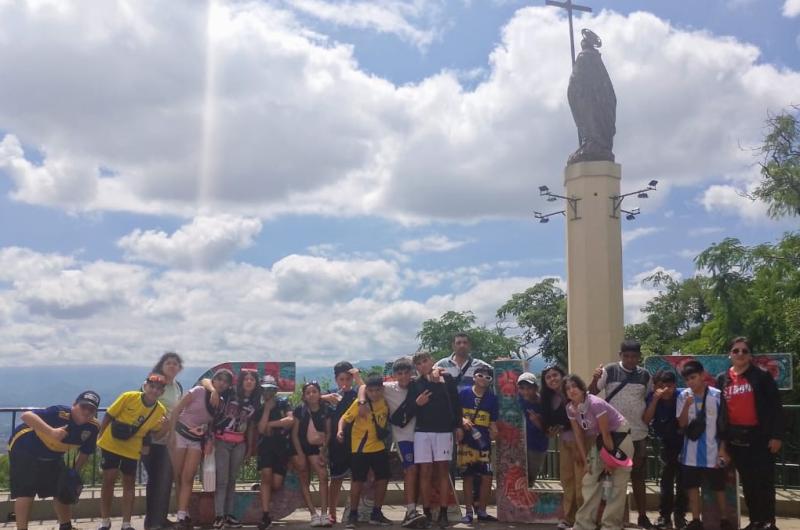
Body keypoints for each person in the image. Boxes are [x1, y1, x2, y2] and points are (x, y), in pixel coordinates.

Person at [8, 390, 101, 530]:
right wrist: (51, 431)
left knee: (62, 487)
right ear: (74, 405)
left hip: (53, 453)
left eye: (91, 409)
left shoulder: (93, 427)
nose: (86, 412)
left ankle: (66, 526)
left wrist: (74, 472)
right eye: (83, 407)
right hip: (24, 448)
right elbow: (26, 415)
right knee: (26, 491)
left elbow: (85, 452)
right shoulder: (59, 413)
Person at [717, 337, 784, 530]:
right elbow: (722, 413)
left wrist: (777, 436)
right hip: (736, 439)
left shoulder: (762, 376)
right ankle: (755, 521)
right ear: (730, 354)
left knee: (764, 482)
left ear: (750, 355)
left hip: (761, 438)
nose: (740, 354)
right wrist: (723, 443)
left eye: (744, 351)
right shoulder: (723, 378)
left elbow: (776, 408)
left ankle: (768, 522)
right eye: (736, 351)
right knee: (748, 484)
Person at [355, 357, 427, 528]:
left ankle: (420, 510)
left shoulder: (418, 385)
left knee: (421, 472)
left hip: (421, 434)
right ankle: (410, 510)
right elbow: (365, 386)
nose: (403, 377)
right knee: (411, 470)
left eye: (406, 373)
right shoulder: (388, 388)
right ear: (394, 375)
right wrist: (362, 401)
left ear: (412, 373)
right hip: (403, 437)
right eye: (399, 373)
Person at [589, 339, 653, 529]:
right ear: (620, 355)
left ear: (639, 357)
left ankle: (642, 516)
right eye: (626, 356)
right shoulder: (609, 370)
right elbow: (591, 393)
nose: (630, 360)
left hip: (638, 433)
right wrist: (594, 378)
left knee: (638, 477)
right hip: (614, 433)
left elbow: (648, 397)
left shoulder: (645, 375)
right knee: (610, 477)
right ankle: (612, 519)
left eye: (634, 356)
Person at [97, 375, 168, 530]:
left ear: (162, 392)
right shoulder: (128, 397)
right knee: (108, 480)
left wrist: (167, 426)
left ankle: (126, 523)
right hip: (111, 444)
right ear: (145, 386)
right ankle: (104, 520)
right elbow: (109, 415)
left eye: (158, 388)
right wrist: (100, 436)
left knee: (129, 483)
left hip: (132, 449)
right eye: (152, 386)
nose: (154, 390)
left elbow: (156, 434)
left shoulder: (159, 410)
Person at [565, 374, 633, 530]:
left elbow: (606, 433)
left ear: (582, 388)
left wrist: (610, 462)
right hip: (602, 441)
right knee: (589, 480)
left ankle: (610, 525)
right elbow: (578, 435)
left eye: (574, 386)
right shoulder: (570, 408)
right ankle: (583, 524)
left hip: (619, 436)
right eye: (567, 388)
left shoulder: (595, 404)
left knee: (618, 483)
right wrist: (585, 461)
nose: (571, 390)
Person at [404, 351, 463, 529]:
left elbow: (455, 403)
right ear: (416, 367)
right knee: (426, 472)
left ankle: (444, 513)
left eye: (425, 361)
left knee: (443, 471)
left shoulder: (447, 379)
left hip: (444, 431)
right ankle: (428, 513)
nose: (423, 365)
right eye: (419, 363)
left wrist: (458, 425)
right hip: (422, 432)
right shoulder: (415, 384)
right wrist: (417, 403)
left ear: (431, 361)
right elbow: (409, 408)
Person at [171, 369, 233, 530]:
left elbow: (213, 424)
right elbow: (177, 409)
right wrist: (170, 433)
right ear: (214, 379)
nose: (222, 383)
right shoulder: (199, 391)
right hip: (180, 433)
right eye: (219, 379)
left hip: (196, 440)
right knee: (177, 475)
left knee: (188, 477)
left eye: (226, 382)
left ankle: (182, 515)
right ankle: (181, 512)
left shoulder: (220, 402)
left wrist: (210, 439)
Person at [676, 360, 732, 530]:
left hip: (713, 451)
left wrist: (723, 448)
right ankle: (695, 520)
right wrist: (686, 406)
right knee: (692, 487)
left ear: (702, 376)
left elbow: (724, 424)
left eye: (693, 377)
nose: (690, 382)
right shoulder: (683, 396)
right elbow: (681, 424)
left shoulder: (716, 395)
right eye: (687, 379)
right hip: (690, 452)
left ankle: (724, 519)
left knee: (719, 487)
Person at [338, 375, 393, 528]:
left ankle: (376, 513)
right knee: (357, 481)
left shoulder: (385, 401)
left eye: (377, 390)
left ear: (382, 390)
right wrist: (340, 431)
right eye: (371, 391)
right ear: (367, 391)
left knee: (383, 479)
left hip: (379, 447)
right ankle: (353, 515)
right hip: (360, 448)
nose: (374, 393)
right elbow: (344, 418)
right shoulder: (359, 403)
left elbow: (362, 385)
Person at [211, 369, 262, 529]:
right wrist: (213, 391)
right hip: (221, 441)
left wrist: (250, 448)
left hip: (240, 443)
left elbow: (252, 426)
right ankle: (219, 516)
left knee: (232, 480)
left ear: (255, 383)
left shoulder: (255, 402)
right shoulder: (229, 394)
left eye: (252, 379)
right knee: (222, 481)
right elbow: (205, 383)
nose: (248, 381)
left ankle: (229, 514)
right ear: (240, 381)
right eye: (245, 379)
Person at [143, 352, 184, 530]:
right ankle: (153, 523)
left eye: (176, 364)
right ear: (162, 365)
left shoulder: (177, 386)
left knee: (165, 481)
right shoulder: (155, 383)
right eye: (169, 363)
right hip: (152, 439)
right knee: (156, 480)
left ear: (180, 368)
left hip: (169, 439)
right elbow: (142, 408)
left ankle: (160, 519)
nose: (172, 366)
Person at [540, 365, 584, 530]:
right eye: (548, 377)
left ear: (562, 375)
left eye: (555, 375)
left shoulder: (572, 392)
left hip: (581, 442)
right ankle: (569, 517)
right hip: (565, 443)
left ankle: (583, 518)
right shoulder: (548, 399)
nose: (552, 379)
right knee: (567, 480)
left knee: (581, 481)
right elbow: (550, 424)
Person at [642, 369, 687, 530]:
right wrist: (654, 400)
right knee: (666, 481)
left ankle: (680, 516)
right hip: (665, 443)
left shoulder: (682, 396)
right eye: (661, 386)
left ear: (675, 385)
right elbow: (646, 419)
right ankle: (664, 516)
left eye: (669, 386)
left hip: (684, 442)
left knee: (684, 481)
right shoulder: (653, 398)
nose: (665, 389)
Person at [321, 362, 363, 526]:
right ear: (336, 379)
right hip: (336, 445)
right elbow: (308, 396)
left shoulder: (357, 394)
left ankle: (353, 512)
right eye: (341, 379)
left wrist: (358, 377)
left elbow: (367, 391)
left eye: (348, 379)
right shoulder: (331, 394)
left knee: (356, 480)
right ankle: (332, 513)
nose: (344, 383)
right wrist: (325, 397)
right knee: (336, 479)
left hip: (357, 442)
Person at [457, 364, 499, 524]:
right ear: (474, 377)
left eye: (487, 377)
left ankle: (482, 510)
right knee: (467, 477)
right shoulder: (464, 393)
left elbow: (493, 421)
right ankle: (468, 511)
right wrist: (462, 421)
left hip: (484, 443)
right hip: (466, 442)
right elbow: (455, 413)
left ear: (490, 381)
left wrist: (495, 431)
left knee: (487, 477)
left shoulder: (492, 398)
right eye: (480, 375)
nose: (483, 379)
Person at [256, 375, 295, 530]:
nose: (268, 393)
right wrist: (266, 409)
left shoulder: (284, 403)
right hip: (265, 447)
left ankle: (261, 490)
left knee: (276, 484)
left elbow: (290, 420)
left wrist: (271, 424)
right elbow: (260, 429)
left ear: (275, 390)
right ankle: (265, 515)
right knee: (266, 477)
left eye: (271, 389)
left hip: (281, 447)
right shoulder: (260, 408)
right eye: (265, 389)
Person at [293, 381, 332, 527]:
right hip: (301, 449)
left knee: (323, 476)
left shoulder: (326, 409)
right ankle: (313, 514)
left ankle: (324, 513)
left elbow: (328, 432)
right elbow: (295, 434)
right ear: (304, 396)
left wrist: (324, 449)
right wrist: (300, 453)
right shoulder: (299, 410)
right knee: (304, 480)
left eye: (314, 391)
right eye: (308, 392)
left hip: (318, 449)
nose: (311, 394)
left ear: (319, 393)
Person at [516, 372, 548, 488]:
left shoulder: (544, 404)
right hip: (518, 446)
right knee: (517, 479)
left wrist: (537, 422)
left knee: (530, 480)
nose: (525, 392)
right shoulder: (518, 399)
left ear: (536, 388)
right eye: (522, 388)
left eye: (529, 388)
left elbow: (548, 431)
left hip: (537, 447)